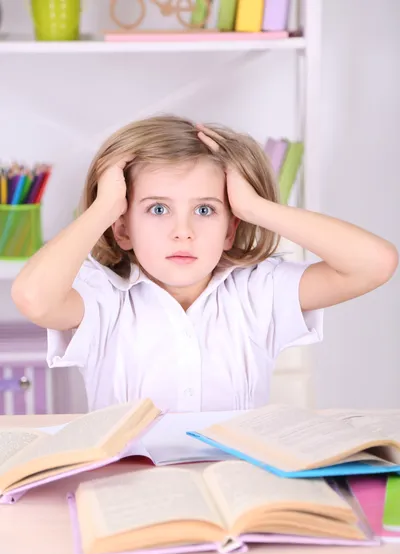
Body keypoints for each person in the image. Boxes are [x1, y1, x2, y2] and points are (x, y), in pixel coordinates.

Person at [11, 116, 398, 412]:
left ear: (230, 230)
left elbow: (374, 264)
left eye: (205, 209)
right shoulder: (103, 297)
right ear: (123, 229)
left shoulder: (258, 291)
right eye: (158, 209)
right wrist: (103, 208)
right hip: (128, 496)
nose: (184, 231)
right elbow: (33, 298)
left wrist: (255, 208)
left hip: (237, 492)